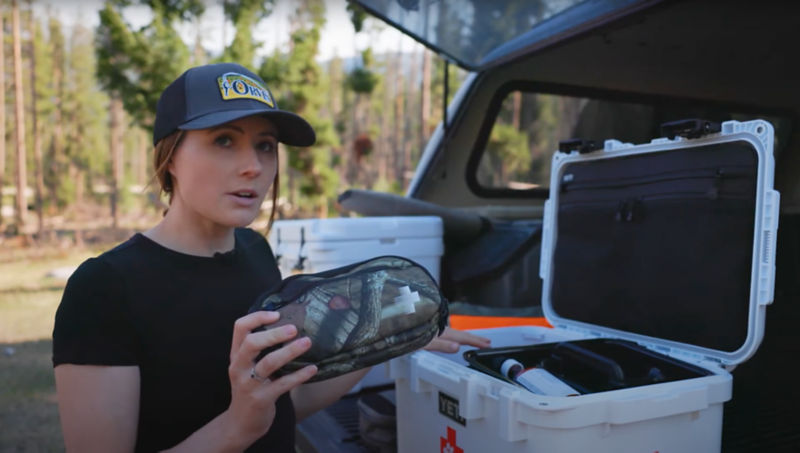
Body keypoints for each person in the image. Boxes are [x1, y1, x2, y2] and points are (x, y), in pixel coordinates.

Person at [52, 62, 491, 453]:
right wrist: (235, 429)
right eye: (224, 140)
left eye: (265, 145)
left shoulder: (255, 252)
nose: (254, 166)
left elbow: (283, 405)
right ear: (170, 157)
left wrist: (386, 341)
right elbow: (247, 424)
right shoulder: (104, 288)